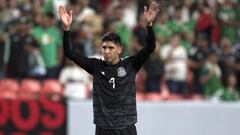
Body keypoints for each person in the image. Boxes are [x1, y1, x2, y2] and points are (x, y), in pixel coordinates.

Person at [58, 1, 159, 135]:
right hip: (103, 128)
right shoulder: (96, 66)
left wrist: (149, 25)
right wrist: (67, 29)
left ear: (119, 49)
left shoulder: (130, 64)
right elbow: (69, 52)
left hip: (126, 126)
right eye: (104, 47)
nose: (106, 51)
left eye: (111, 48)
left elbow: (150, 47)